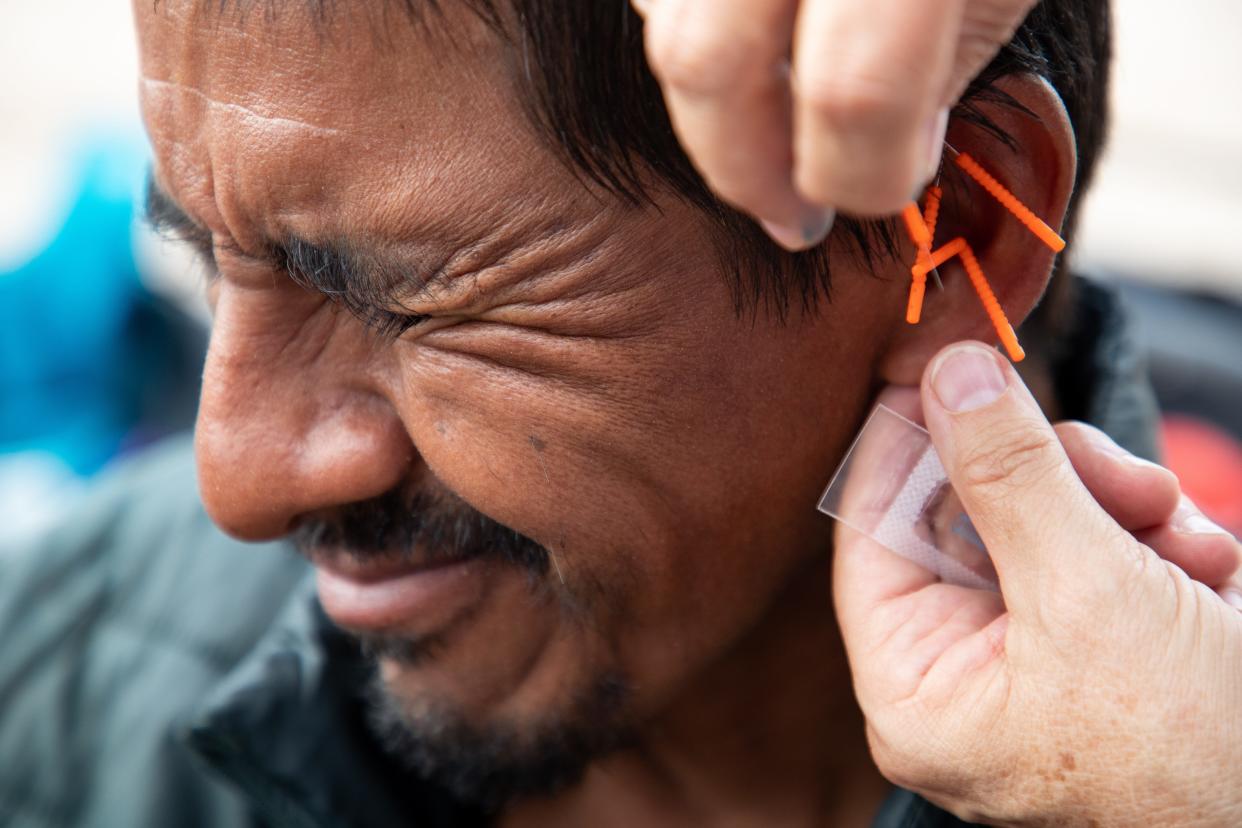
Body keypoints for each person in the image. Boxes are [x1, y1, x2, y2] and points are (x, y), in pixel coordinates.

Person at [0, 1, 1238, 826]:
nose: (237, 480)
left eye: (396, 301)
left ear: (948, 236)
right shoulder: (57, 680)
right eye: (215, 264)